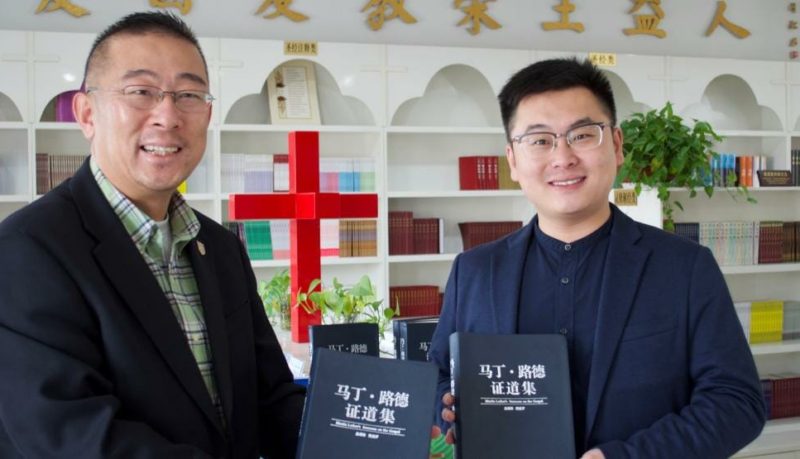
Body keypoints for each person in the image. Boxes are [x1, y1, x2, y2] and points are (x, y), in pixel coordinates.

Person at [0, 11, 304, 458]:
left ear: (208, 114)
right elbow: (76, 439)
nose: (167, 116)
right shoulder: (27, 250)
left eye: (188, 95)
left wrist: (370, 435)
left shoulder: (220, 248)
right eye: (141, 92)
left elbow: (270, 396)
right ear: (87, 113)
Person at [428, 58, 766, 458]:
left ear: (617, 145)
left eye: (582, 135)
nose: (563, 157)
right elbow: (441, 373)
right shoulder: (475, 270)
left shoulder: (685, 268)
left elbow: (737, 401)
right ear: (513, 160)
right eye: (539, 140)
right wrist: (448, 403)